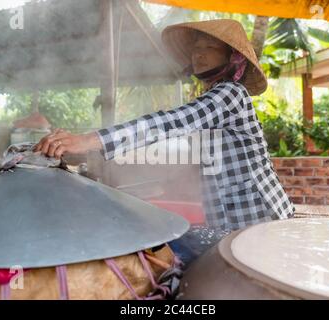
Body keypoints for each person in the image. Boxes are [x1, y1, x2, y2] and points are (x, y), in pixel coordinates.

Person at [34, 19, 295, 266]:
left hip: (260, 222)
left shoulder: (231, 94)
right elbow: (176, 145)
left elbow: (169, 123)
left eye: (210, 48)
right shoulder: (212, 99)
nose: (199, 54)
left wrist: (89, 141)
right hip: (230, 225)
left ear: (232, 58)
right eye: (196, 47)